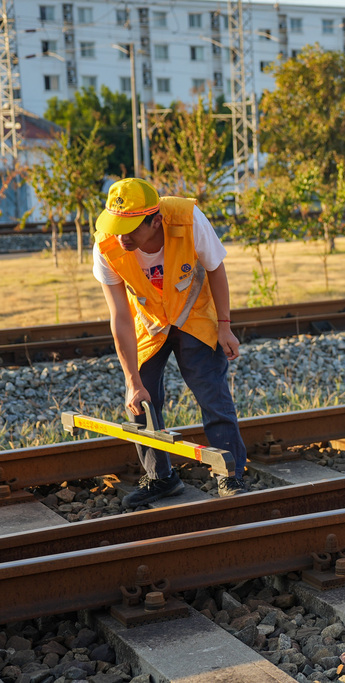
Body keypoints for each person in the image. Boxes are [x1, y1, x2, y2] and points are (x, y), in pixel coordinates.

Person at [92, 177, 248, 507]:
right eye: (118, 226)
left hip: (194, 316)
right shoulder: (106, 244)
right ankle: (161, 478)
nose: (123, 236)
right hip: (149, 325)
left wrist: (225, 326)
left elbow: (216, 269)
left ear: (156, 220)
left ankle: (230, 474)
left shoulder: (188, 218)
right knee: (140, 399)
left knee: (212, 393)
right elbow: (119, 314)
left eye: (132, 228)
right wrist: (132, 379)